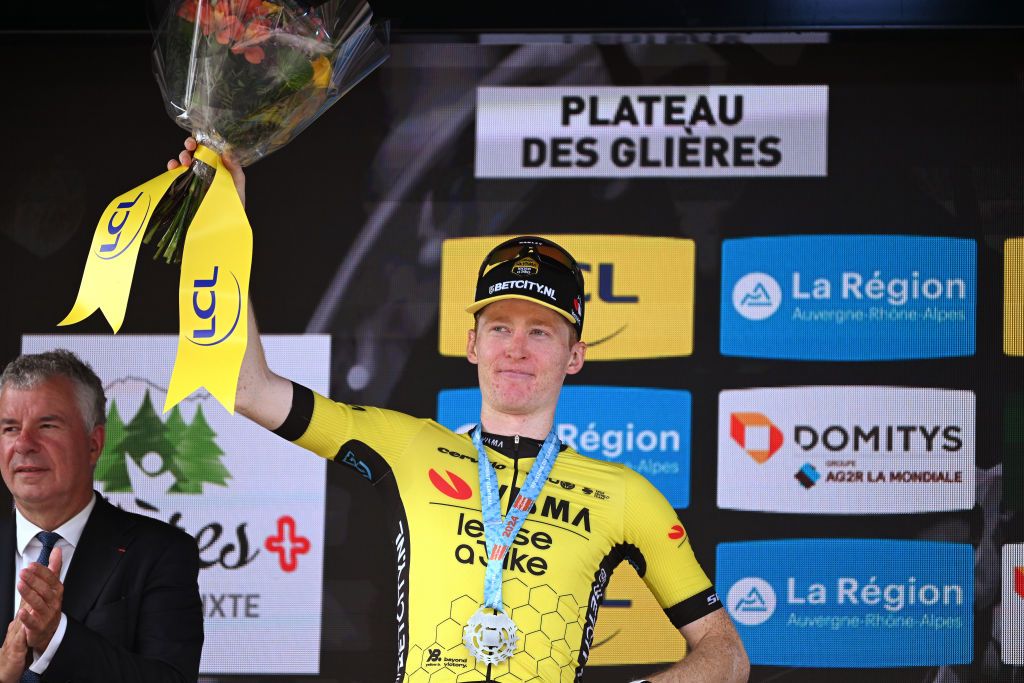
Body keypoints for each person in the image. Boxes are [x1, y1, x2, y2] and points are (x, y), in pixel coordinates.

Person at [171, 139, 749, 682]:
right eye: (500, 327)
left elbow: (726, 653)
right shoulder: (407, 447)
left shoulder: (624, 494)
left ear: (575, 355)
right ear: (472, 344)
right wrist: (222, 228)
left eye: (541, 332)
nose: (516, 348)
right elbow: (249, 388)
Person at [0, 350, 204, 683]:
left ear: (93, 444)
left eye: (47, 425)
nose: (23, 443)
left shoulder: (161, 553)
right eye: (10, 428)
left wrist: (57, 638)